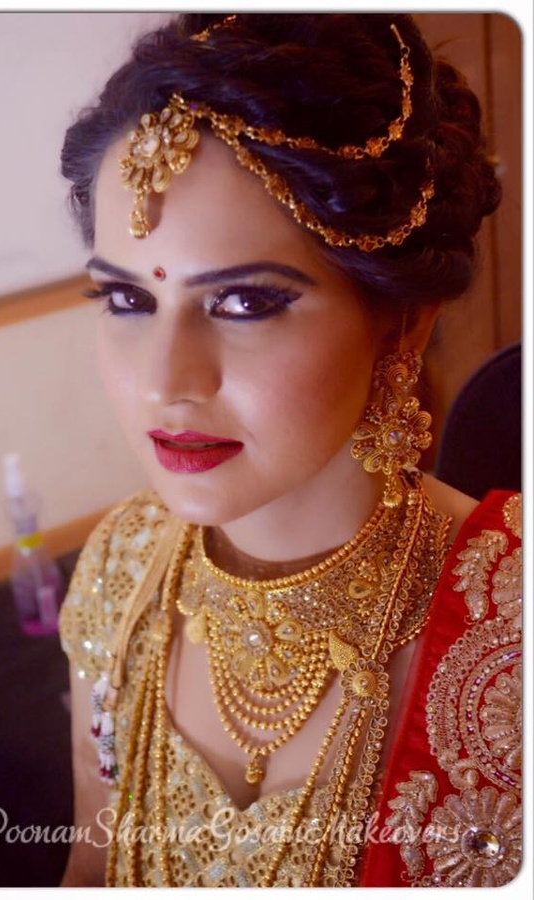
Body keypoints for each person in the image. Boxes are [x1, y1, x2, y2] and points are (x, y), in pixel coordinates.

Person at [57, 13, 521, 887]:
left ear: (402, 322)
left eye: (244, 303)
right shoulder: (121, 569)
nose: (165, 382)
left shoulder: (513, 629)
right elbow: (92, 862)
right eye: (127, 301)